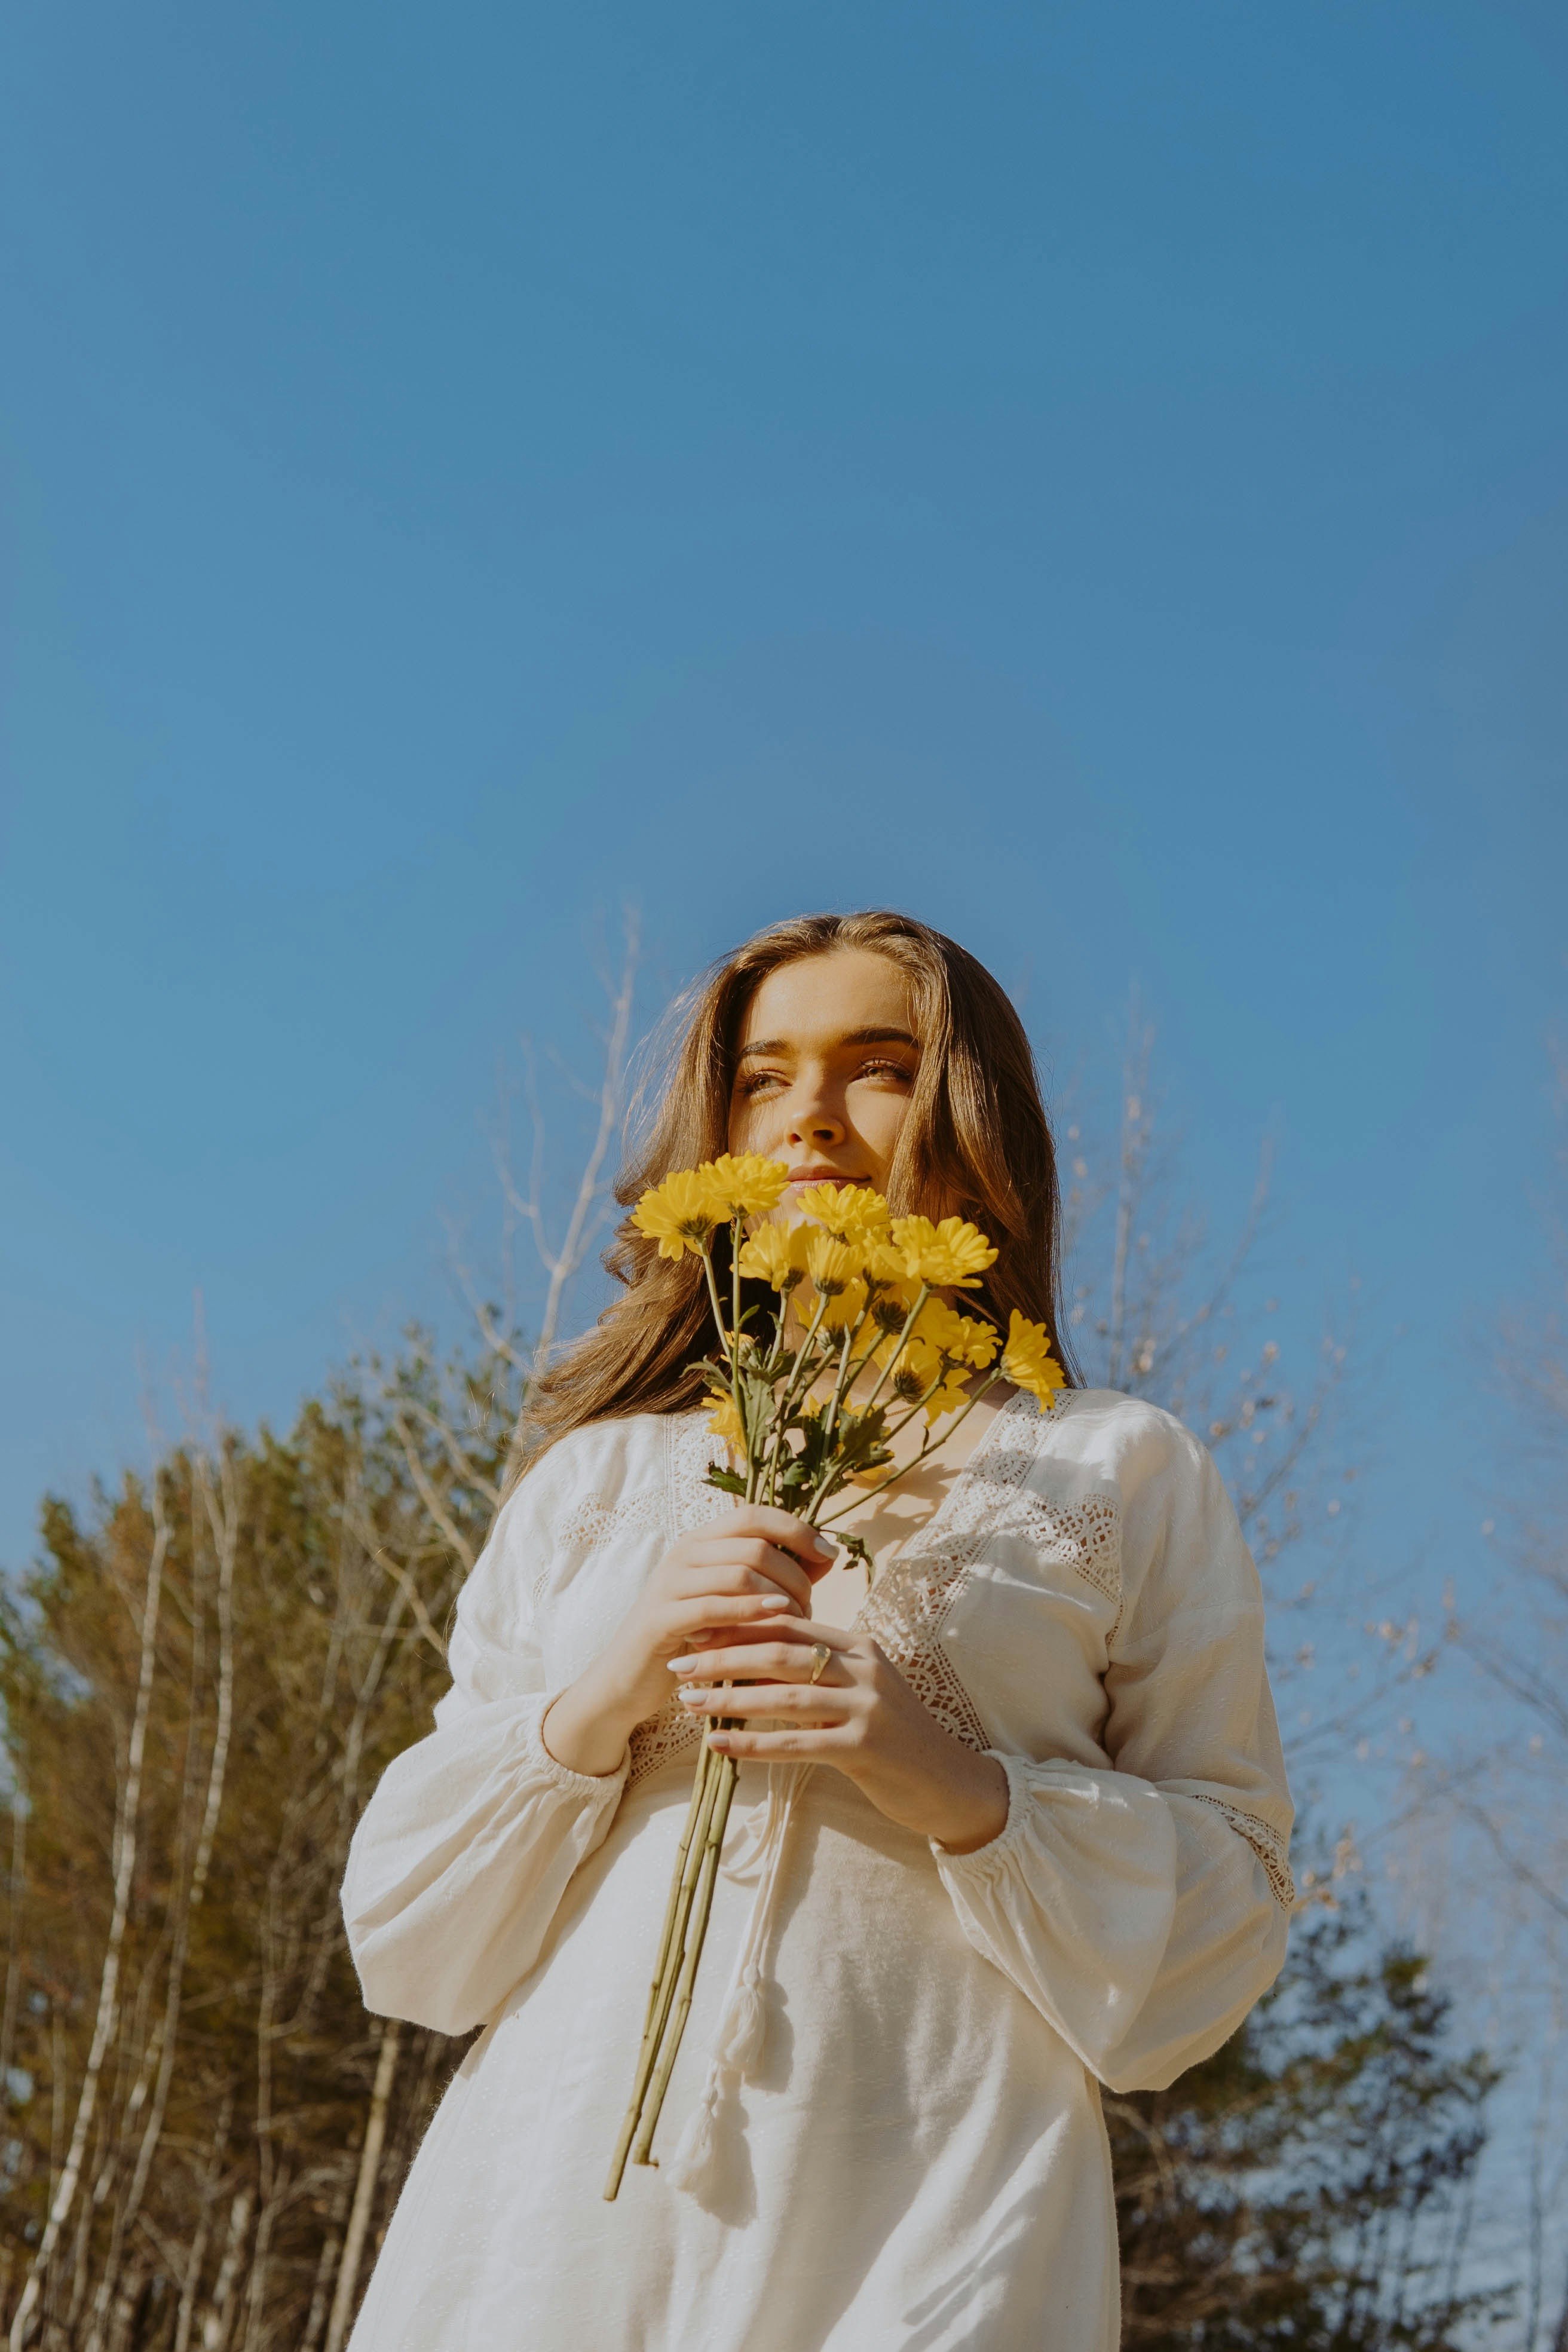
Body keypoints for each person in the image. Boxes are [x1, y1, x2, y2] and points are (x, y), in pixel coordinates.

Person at [341, 909, 1294, 2352]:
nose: (810, 1122)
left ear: (974, 1117)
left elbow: (1222, 1921)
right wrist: (605, 1695)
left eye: (876, 1067)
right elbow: (413, 1944)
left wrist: (960, 1788)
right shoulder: (595, 1476)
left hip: (944, 2212)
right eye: (762, 1078)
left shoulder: (1120, 1470)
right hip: (548, 2235)